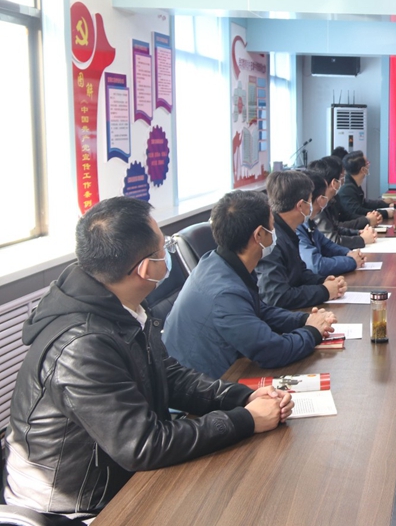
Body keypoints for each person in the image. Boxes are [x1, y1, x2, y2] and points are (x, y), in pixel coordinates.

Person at [3, 197, 293, 517]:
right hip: (73, 506)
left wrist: (243, 397)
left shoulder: (122, 303)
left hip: (119, 472)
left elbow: (170, 375)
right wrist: (247, 420)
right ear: (144, 269)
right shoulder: (82, 347)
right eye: (163, 249)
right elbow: (143, 445)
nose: (168, 255)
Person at [163, 191, 337, 379]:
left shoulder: (217, 261)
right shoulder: (225, 294)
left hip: (223, 370)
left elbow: (258, 310)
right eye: (273, 226)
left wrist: (304, 320)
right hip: (206, 386)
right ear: (259, 235)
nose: (276, 232)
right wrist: (313, 332)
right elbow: (273, 351)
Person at [257, 170, 347, 309]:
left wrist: (323, 281)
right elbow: (277, 297)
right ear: (301, 206)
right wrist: (324, 291)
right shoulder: (271, 240)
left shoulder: (288, 231)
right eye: (310, 200)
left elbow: (300, 273)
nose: (312, 206)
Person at [297, 169, 366, 276]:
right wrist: (351, 261)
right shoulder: (297, 228)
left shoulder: (309, 222)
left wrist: (348, 253)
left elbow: (327, 245)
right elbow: (316, 265)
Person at [312, 158, 378, 250]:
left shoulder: (332, 200)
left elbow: (336, 228)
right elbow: (332, 241)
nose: (343, 182)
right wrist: (362, 239)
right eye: (342, 178)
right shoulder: (317, 206)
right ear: (334, 183)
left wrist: (358, 233)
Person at [337, 150, 392, 222]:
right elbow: (357, 211)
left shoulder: (354, 184)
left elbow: (364, 203)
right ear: (363, 169)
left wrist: (384, 203)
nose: (369, 165)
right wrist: (385, 213)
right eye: (367, 163)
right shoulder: (347, 189)